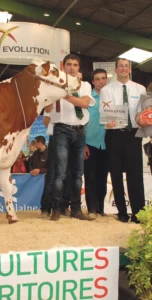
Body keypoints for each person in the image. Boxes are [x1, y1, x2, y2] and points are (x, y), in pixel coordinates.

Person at [48, 54, 95, 221]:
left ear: (79, 67)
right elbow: (46, 108)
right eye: (69, 64)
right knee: (60, 173)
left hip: (80, 131)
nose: (72, 67)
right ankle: (56, 209)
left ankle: (76, 210)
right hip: (61, 130)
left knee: (78, 174)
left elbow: (84, 103)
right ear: (63, 66)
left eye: (75, 65)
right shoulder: (54, 84)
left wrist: (65, 95)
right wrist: (55, 91)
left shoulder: (86, 85)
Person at [100, 58, 146, 223]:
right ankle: (121, 212)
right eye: (121, 66)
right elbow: (105, 111)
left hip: (133, 135)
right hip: (114, 134)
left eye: (127, 66)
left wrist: (143, 118)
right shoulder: (107, 89)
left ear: (130, 69)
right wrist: (109, 120)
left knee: (135, 175)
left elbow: (143, 112)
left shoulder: (140, 89)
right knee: (116, 174)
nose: (124, 69)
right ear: (116, 69)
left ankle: (138, 213)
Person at [84, 69, 109, 219]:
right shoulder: (88, 99)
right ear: (93, 82)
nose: (101, 81)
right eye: (97, 79)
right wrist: (82, 145)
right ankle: (92, 209)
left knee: (102, 178)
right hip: (89, 143)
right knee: (90, 178)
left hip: (106, 145)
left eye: (103, 78)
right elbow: (81, 123)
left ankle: (100, 208)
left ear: (107, 80)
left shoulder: (112, 98)